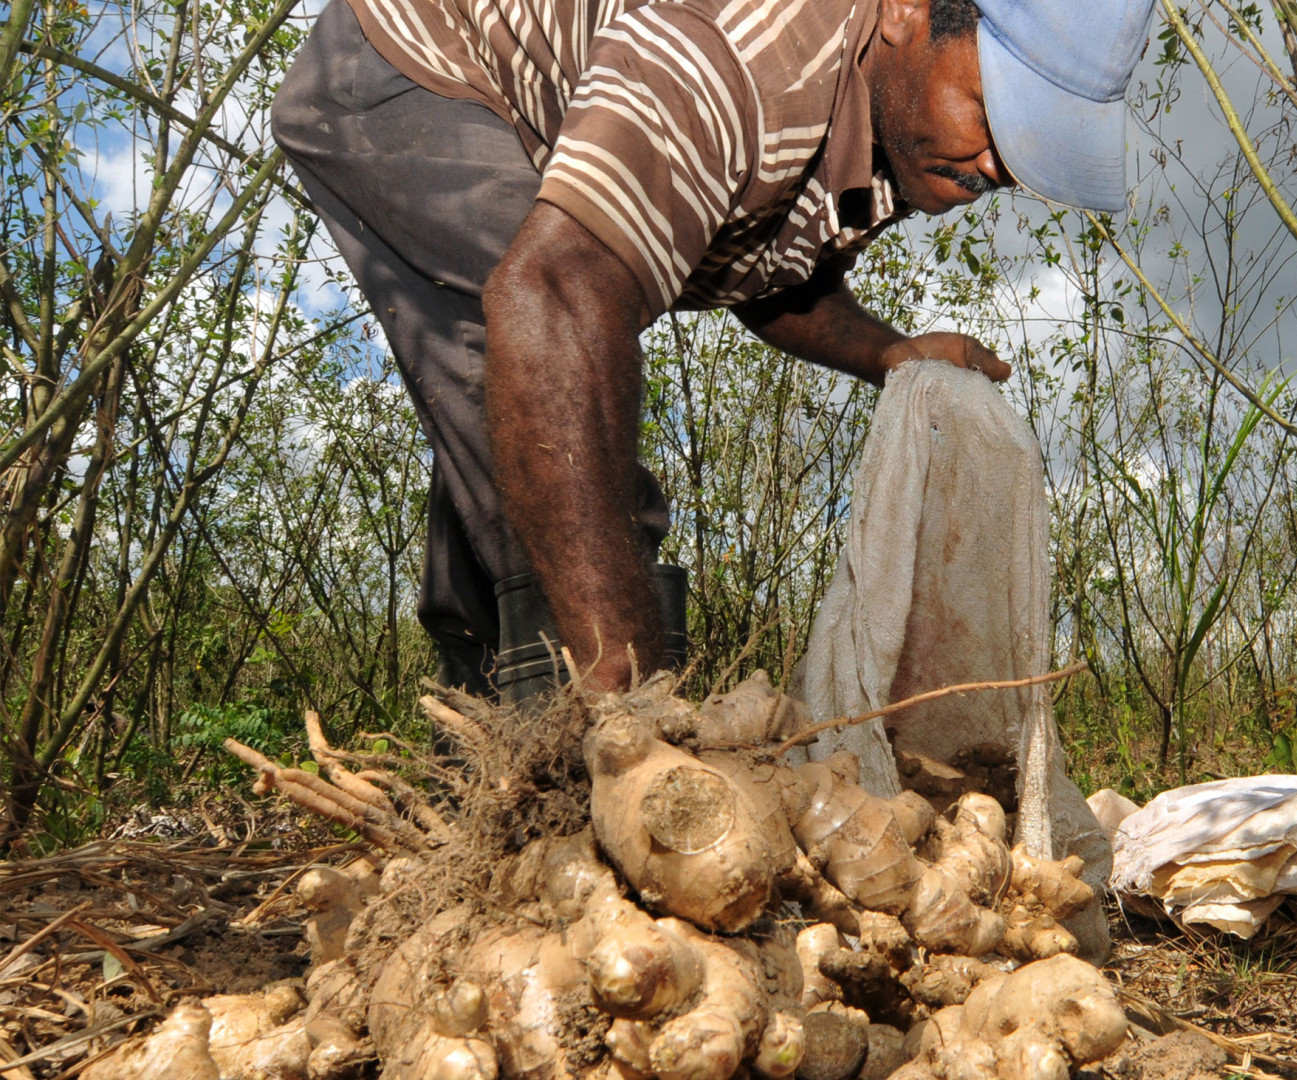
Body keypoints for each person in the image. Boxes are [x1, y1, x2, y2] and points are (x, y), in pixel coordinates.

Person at [272, 0, 1156, 695]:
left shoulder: (892, 130)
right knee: (567, 416)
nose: (999, 167)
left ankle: (491, 756)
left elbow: (764, 277)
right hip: (416, 60)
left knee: (527, 419)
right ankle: (580, 766)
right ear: (906, 10)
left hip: (529, 117)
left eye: (1031, 147)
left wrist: (889, 353)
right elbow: (552, 298)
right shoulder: (743, 61)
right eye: (993, 114)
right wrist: (632, 695)